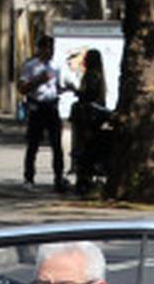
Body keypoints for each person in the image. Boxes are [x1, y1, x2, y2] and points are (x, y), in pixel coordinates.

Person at [19, 34, 67, 190]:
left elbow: (57, 86)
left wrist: (66, 88)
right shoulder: (31, 66)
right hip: (37, 106)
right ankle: (29, 177)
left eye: (52, 48)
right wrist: (39, 80)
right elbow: (23, 88)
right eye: (47, 48)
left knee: (56, 145)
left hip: (52, 106)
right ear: (40, 49)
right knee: (33, 144)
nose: (50, 52)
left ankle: (58, 177)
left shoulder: (56, 66)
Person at [69, 49, 111, 199]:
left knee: (85, 148)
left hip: (89, 118)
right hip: (95, 117)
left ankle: (84, 179)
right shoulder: (99, 76)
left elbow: (89, 95)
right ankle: (86, 177)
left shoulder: (92, 76)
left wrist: (75, 91)